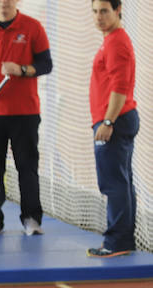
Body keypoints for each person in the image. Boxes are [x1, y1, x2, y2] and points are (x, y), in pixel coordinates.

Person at [0, 0, 53, 236]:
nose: (4, 1)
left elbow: (46, 64)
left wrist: (22, 70)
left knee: (28, 168)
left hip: (25, 114)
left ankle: (32, 219)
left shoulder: (33, 28)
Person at [87, 0, 139, 258]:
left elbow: (119, 88)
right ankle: (123, 240)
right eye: (95, 12)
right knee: (122, 181)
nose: (99, 17)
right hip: (118, 119)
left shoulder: (117, 43)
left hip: (114, 121)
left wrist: (108, 122)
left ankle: (116, 242)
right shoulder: (111, 40)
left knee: (114, 183)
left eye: (104, 11)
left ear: (118, 11)